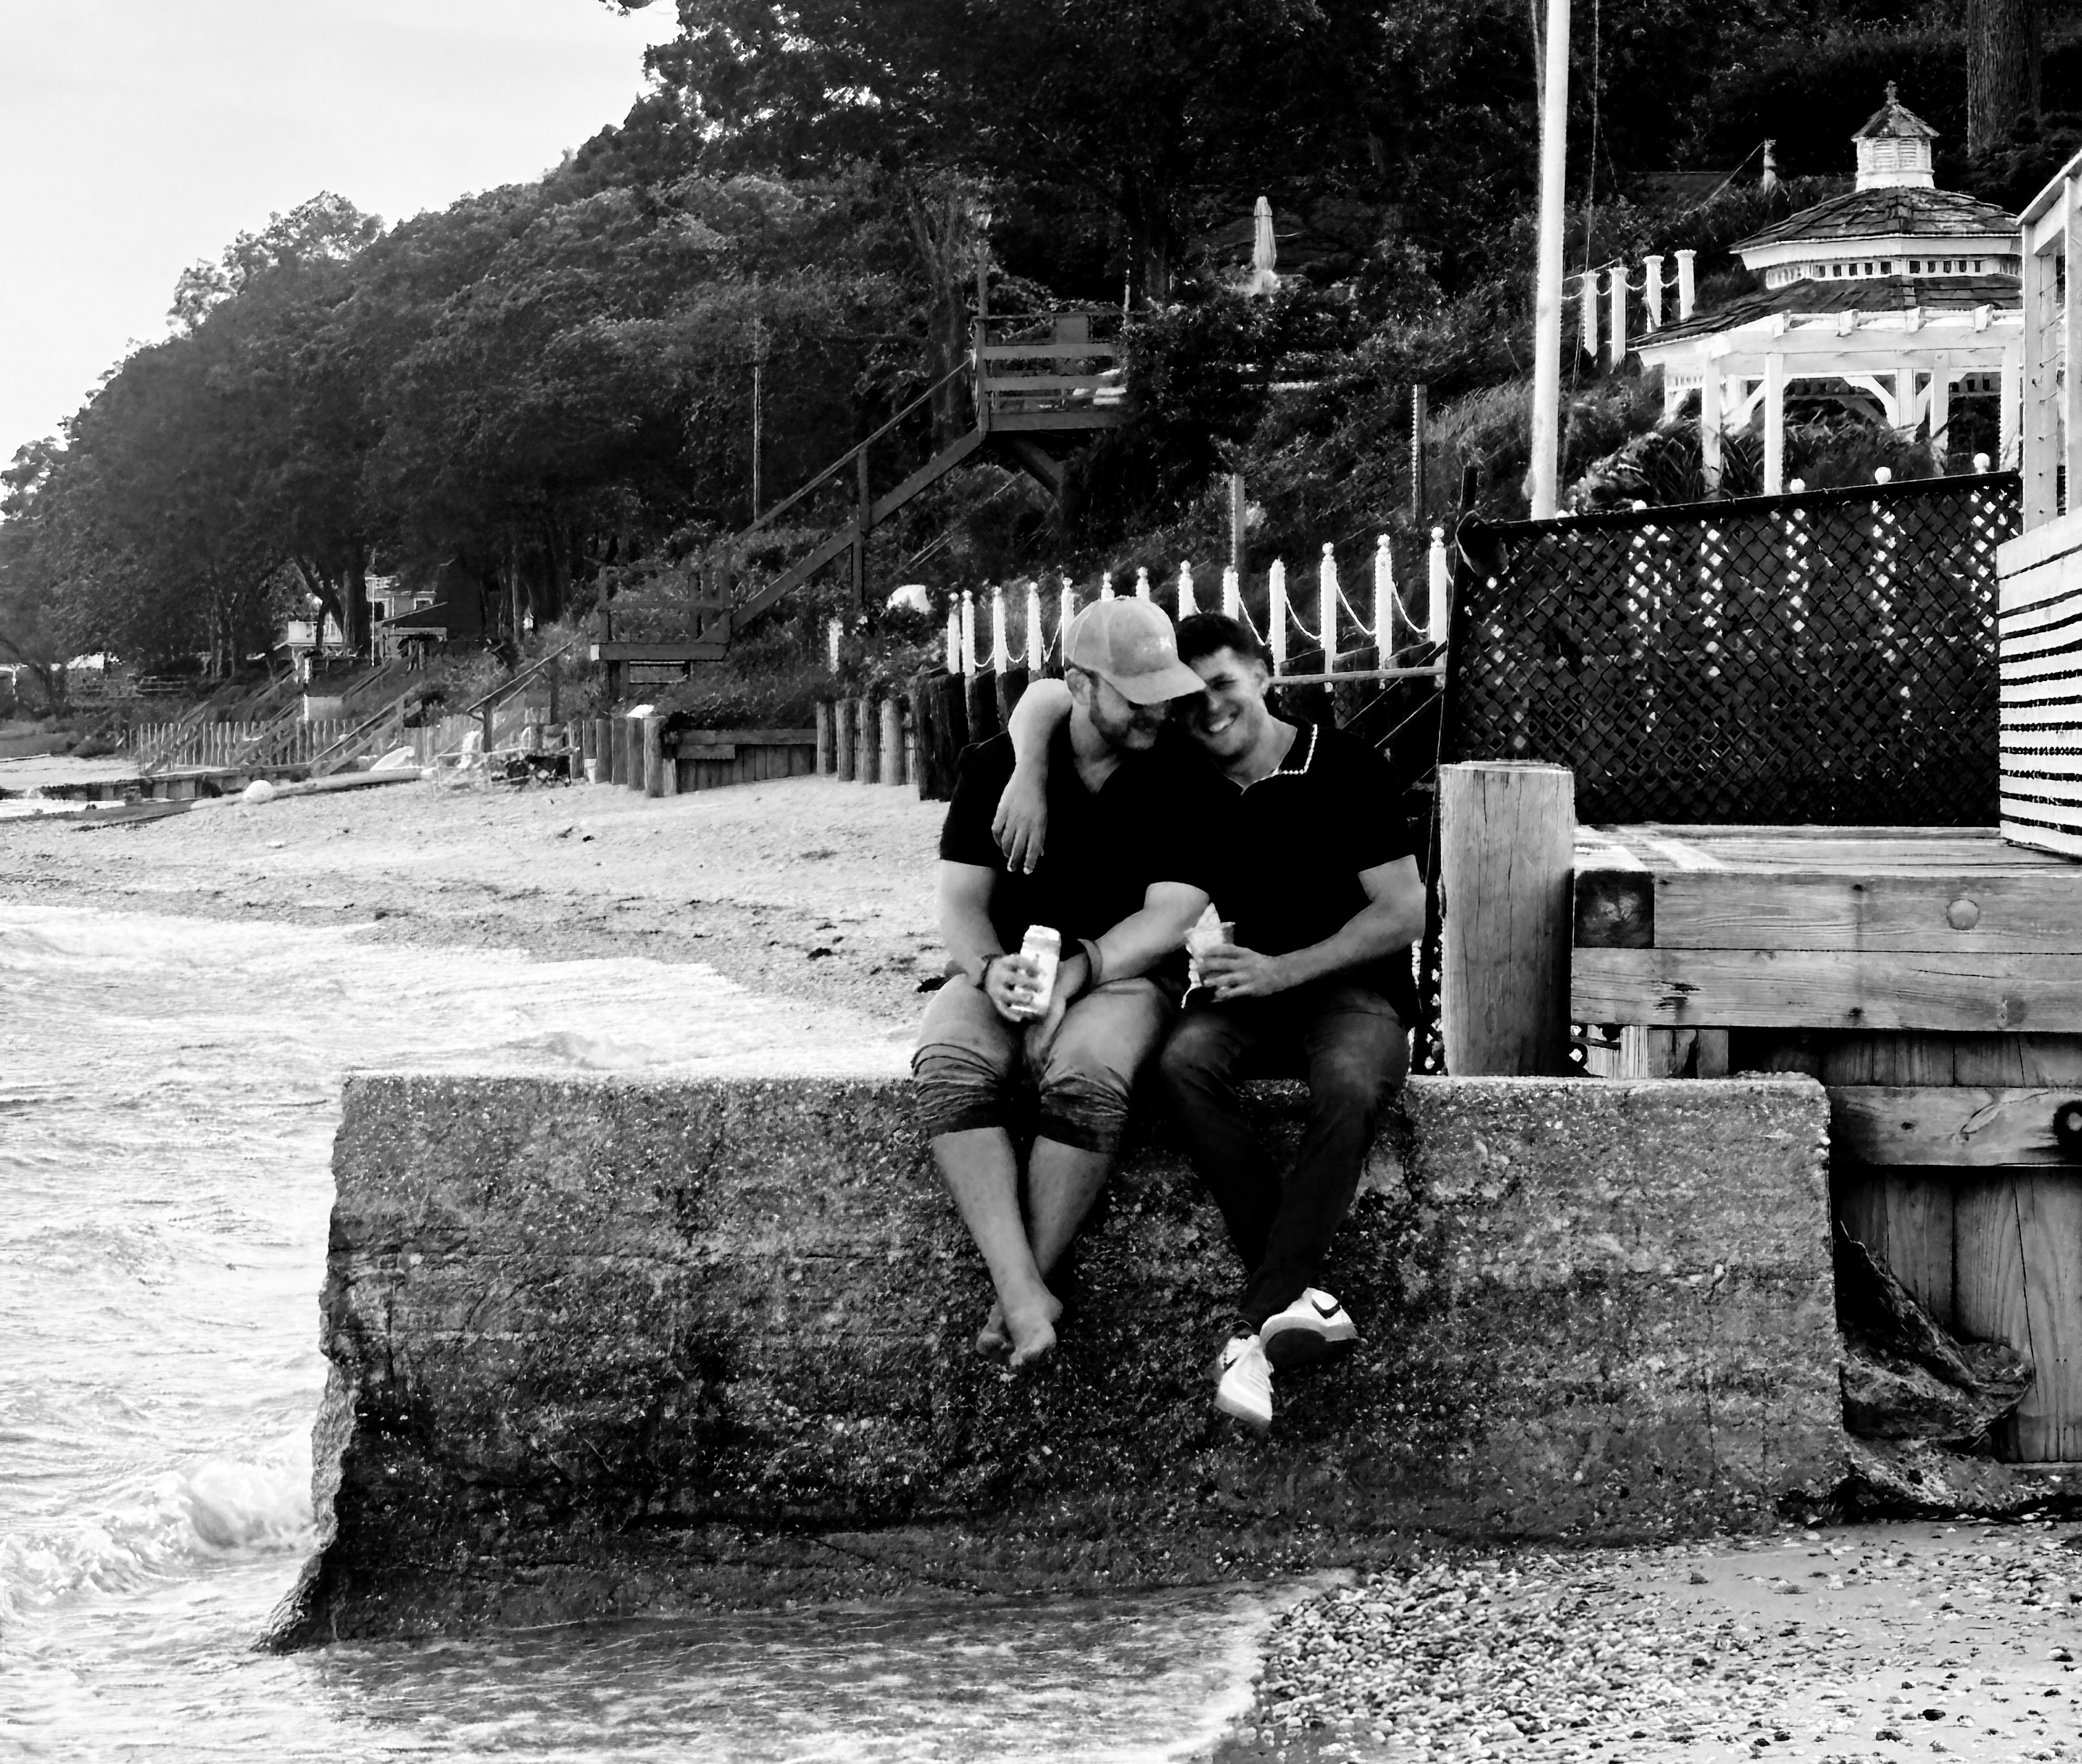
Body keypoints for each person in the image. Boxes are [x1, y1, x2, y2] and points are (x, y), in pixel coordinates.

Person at [995, 612, 1427, 1431]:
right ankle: (1295, 1299)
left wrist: (1282, 970)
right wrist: (1024, 771)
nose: (1208, 711)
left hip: (1352, 989)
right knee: (1181, 1065)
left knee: (1349, 1081)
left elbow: (1405, 912)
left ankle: (1252, 1332)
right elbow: (1051, 695)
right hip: (1239, 993)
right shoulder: (1182, 771)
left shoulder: (1344, 765)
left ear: (1263, 675)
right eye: (1188, 701)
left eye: (1224, 686)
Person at [914, 598, 1223, 1369]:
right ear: (1081, 687)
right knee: (947, 1062)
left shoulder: (1185, 773)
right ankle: (1024, 1293)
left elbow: (1173, 914)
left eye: (1165, 690)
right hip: (1008, 966)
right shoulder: (999, 765)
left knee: (1087, 1073)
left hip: (1123, 973)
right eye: (1137, 694)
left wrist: (1081, 970)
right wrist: (989, 969)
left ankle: (1022, 1291)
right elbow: (960, 905)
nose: (1159, 708)